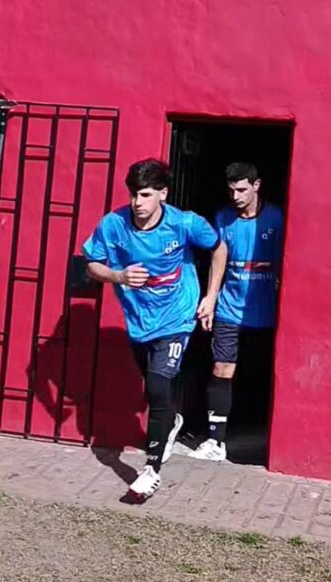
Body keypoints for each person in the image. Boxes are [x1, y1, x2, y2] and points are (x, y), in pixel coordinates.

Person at [84, 158, 226, 501]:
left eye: (146, 195)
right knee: (154, 386)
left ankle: (151, 470)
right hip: (139, 321)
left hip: (178, 317)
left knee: (159, 383)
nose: (138, 202)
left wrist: (210, 297)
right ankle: (172, 420)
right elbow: (91, 264)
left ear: (162, 194)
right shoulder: (113, 224)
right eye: (134, 194)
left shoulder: (185, 223)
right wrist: (118, 276)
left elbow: (219, 248)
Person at [189, 162, 284, 461]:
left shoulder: (277, 218)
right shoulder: (223, 218)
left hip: (267, 313)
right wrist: (210, 298)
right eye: (231, 190)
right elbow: (219, 258)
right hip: (229, 309)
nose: (236, 196)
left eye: (242, 190)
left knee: (259, 373)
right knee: (221, 368)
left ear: (256, 186)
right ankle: (215, 441)